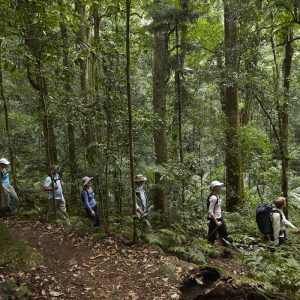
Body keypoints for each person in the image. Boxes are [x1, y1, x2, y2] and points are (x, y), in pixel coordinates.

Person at [207, 180, 228, 246]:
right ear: (215, 187)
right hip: (214, 220)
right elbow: (210, 212)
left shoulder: (217, 196)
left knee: (224, 234)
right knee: (211, 238)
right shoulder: (213, 198)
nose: (220, 187)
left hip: (219, 218)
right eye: (219, 186)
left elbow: (216, 207)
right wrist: (216, 222)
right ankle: (209, 252)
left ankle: (226, 252)